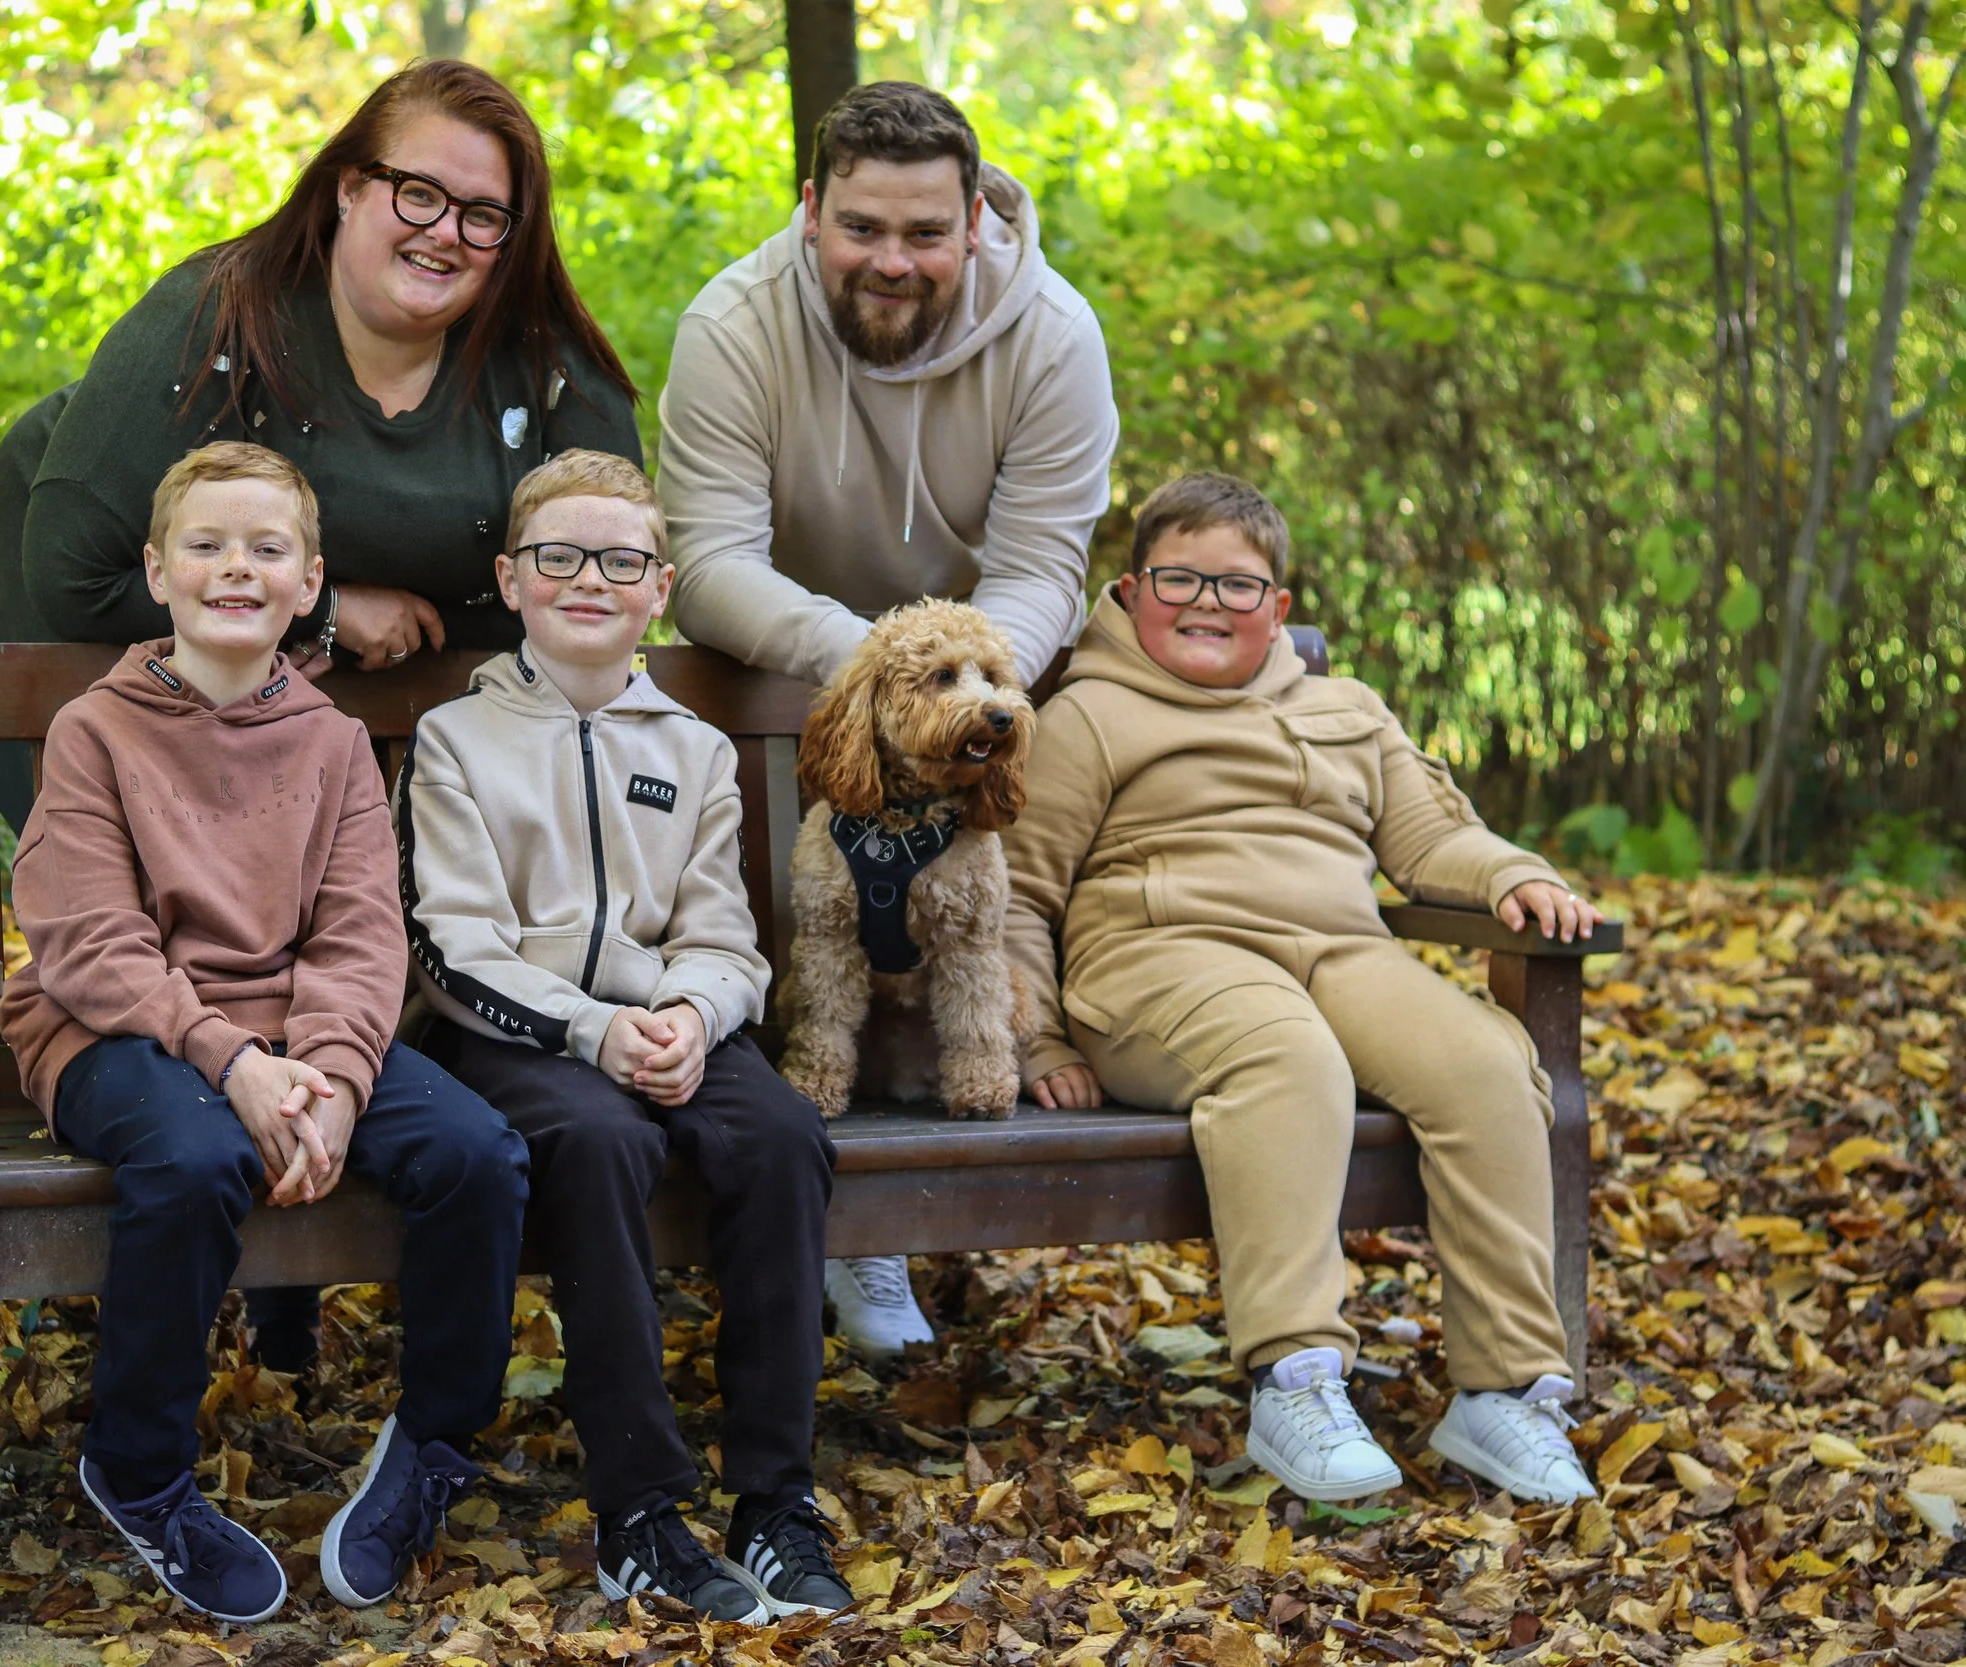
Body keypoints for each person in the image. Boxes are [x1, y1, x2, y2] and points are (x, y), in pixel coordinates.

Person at [0, 58, 637, 1374]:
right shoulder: (220, 316)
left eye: (482, 213)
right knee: (175, 944)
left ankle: (292, 1301)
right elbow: (71, 568)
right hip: (136, 673)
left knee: (340, 942)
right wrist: (330, 621)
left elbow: (583, 570)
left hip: (335, 747)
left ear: (514, 238)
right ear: (344, 188)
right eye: (415, 192)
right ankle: (141, 1298)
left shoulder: (542, 368)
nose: (444, 231)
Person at [0, 442, 531, 1619]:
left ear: (308, 584)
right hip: (114, 1031)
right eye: (206, 543)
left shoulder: (334, 741)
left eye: (266, 548)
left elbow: (358, 936)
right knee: (196, 1157)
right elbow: (89, 943)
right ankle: (137, 1469)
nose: (235, 567)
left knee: (476, 1154)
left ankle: (433, 1441)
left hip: (294, 1035)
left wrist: (333, 1079)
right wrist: (234, 1062)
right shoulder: (96, 731)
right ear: (156, 570)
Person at [1001, 471, 1599, 1506]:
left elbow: (1429, 836)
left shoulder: (1347, 709)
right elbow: (1014, 890)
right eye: (1177, 577)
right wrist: (1038, 1037)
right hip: (1157, 958)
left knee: (1486, 1059)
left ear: (1277, 608)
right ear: (1133, 589)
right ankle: (1294, 1375)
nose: (1204, 603)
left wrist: (1512, 872)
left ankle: (1501, 1391)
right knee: (1284, 1056)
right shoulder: (1088, 714)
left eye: (1236, 586)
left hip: (1337, 950)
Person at [657, 81, 1118, 1355]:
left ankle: (892, 1240)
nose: (893, 261)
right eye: (862, 226)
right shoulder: (730, 327)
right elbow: (704, 559)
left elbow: (1038, 567)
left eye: (925, 231)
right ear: (810, 211)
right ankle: (831, 1238)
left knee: (961, 962)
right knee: (813, 964)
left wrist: (965, 693)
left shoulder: (1056, 339)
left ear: (976, 219)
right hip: (780, 686)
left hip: (971, 691)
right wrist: (877, 673)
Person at [396, 451, 853, 1623]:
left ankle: (773, 1498)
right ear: (510, 578)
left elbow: (723, 935)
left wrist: (692, 1018)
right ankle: (640, 1510)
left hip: (671, 1023)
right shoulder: (454, 739)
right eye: (557, 556)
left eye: (621, 560)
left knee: (783, 1135)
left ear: (659, 587)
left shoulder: (692, 748)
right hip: (518, 1032)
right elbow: (450, 947)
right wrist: (595, 1030)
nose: (587, 578)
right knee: (601, 1145)